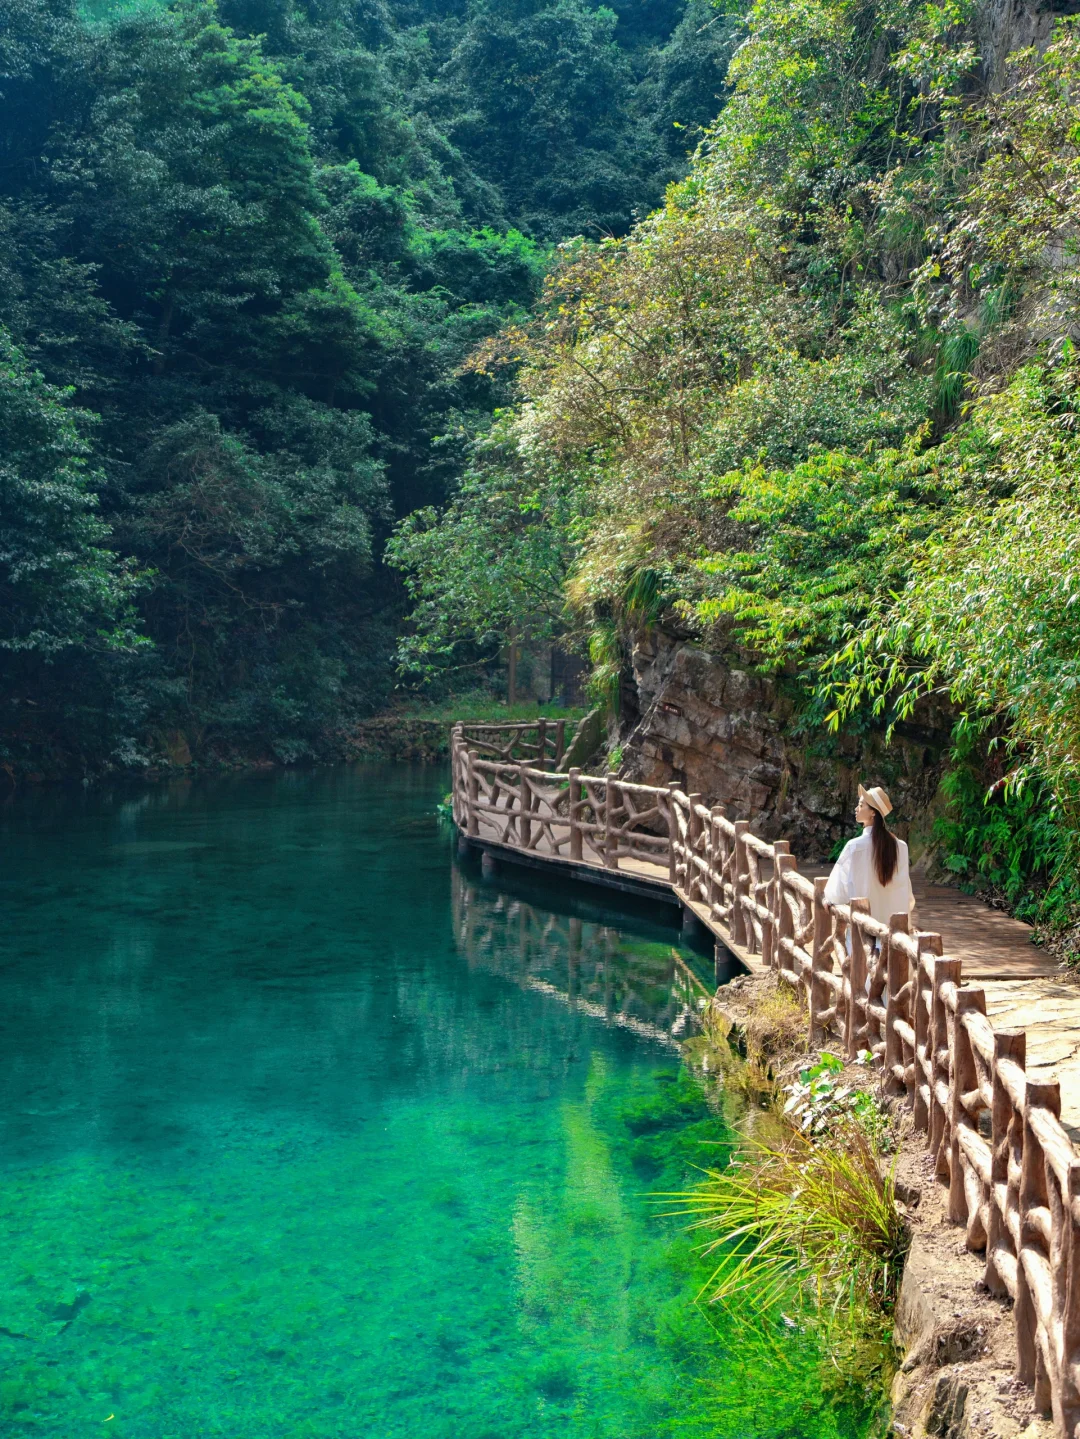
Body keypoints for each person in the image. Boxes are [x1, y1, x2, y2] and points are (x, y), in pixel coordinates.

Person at [823, 784, 914, 927]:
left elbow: (837, 891)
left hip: (864, 929)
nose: (856, 809)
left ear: (873, 813)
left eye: (861, 805)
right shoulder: (900, 847)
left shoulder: (855, 846)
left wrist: (829, 899)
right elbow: (906, 892)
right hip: (895, 930)